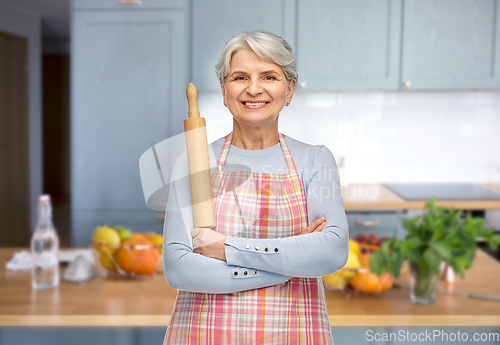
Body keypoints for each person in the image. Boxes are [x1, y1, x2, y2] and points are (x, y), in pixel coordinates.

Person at [162, 31, 348, 344]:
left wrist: (227, 249)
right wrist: (287, 267)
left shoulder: (315, 160)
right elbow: (180, 269)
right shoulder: (195, 162)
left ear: (289, 89)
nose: (254, 88)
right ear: (224, 90)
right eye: (240, 77)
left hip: (293, 332)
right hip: (204, 333)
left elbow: (331, 251)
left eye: (269, 76)